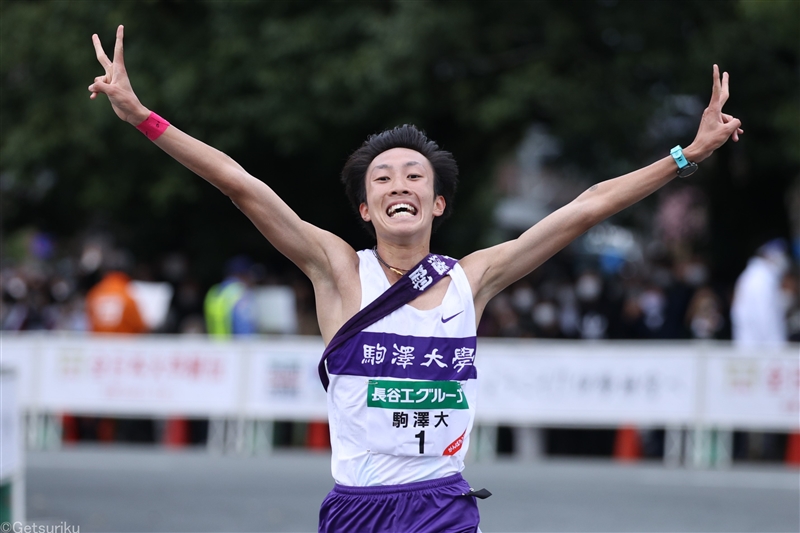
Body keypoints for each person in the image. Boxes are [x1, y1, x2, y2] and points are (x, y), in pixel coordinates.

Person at [89, 25, 743, 533]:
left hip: (443, 504)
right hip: (359, 506)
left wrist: (686, 155)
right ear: (366, 209)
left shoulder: (473, 278)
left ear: (437, 205)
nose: (399, 182)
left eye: (414, 178)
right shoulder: (338, 269)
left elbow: (586, 207)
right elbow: (241, 186)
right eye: (383, 179)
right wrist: (142, 116)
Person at [730, 238, 791, 347]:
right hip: (760, 348)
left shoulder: (753, 275)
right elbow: (766, 317)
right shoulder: (761, 279)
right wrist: (777, 349)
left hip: (751, 345)